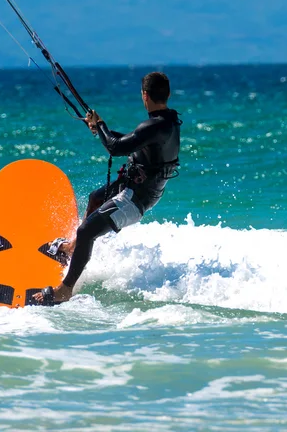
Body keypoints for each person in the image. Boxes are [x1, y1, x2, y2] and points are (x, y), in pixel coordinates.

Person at [33, 71, 182, 305]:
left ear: (144, 96)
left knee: (86, 232)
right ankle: (71, 249)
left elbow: (115, 148)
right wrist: (102, 131)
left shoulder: (153, 125)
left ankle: (65, 290)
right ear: (168, 94)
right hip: (139, 187)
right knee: (95, 198)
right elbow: (131, 143)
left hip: (135, 200)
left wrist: (100, 125)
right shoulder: (169, 121)